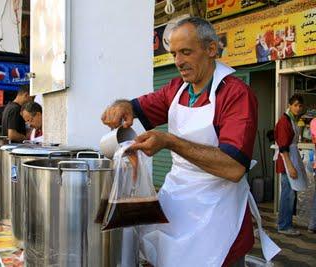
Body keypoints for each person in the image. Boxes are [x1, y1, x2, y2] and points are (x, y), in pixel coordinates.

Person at [101, 17, 279, 267]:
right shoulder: (177, 89)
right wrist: (122, 105)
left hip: (218, 214)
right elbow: (136, 108)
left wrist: (170, 142)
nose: (178, 62)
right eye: (174, 53)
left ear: (211, 49)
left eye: (186, 52)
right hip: (177, 204)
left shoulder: (236, 94)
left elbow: (233, 167)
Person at [274, 94, 307, 236]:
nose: (298, 108)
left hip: (292, 159)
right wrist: (290, 166)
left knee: (290, 193)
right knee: (288, 194)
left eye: (300, 105)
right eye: (295, 105)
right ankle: (284, 225)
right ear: (289, 105)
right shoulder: (284, 122)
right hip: (286, 161)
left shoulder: (293, 120)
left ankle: (286, 223)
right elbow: (283, 147)